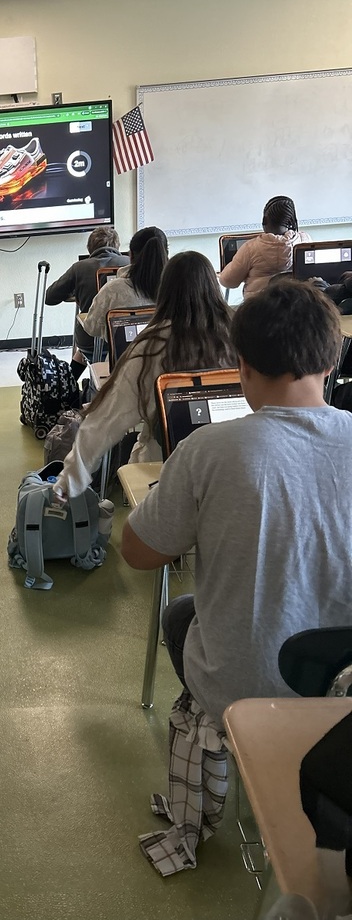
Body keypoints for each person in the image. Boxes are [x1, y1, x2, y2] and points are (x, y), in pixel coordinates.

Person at [121, 279, 352, 725]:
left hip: (246, 697)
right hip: (342, 690)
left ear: (242, 366)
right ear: (331, 361)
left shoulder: (207, 449)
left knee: (180, 612)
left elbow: (138, 552)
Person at [54, 252, 236, 498]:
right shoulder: (239, 332)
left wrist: (68, 482)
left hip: (169, 468)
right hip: (239, 462)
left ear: (165, 291)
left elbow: (105, 420)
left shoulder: (152, 346)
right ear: (213, 287)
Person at [45, 226, 129, 380]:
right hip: (126, 340)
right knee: (94, 348)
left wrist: (75, 291)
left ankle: (70, 384)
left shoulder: (80, 268)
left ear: (90, 247)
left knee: (87, 346)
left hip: (90, 341)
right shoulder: (130, 264)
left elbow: (50, 298)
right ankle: (73, 381)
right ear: (117, 245)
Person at [81, 226, 169, 344]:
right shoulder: (182, 287)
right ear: (166, 253)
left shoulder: (113, 290)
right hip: (174, 354)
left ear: (130, 256)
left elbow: (92, 328)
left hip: (127, 355)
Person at [219, 195, 311, 297]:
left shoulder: (250, 248)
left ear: (264, 220)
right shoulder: (304, 241)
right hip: (296, 303)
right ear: (292, 221)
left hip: (259, 305)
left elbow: (228, 281)